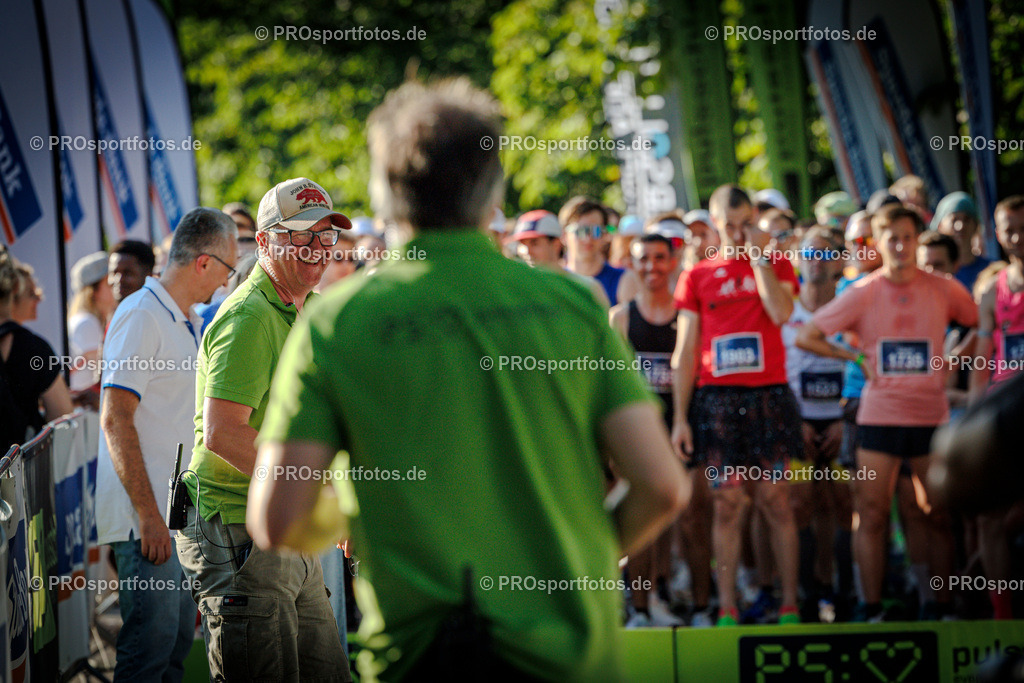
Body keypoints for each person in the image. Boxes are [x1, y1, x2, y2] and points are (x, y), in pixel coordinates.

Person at [249, 77, 689, 681]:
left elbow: (278, 519)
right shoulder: (573, 305)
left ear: (384, 194)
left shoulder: (337, 321)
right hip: (570, 653)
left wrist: (358, 511)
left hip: (421, 655)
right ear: (493, 193)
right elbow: (663, 486)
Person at [175, 177, 353, 682]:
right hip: (238, 533)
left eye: (326, 236)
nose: (318, 249)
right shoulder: (251, 315)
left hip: (279, 528)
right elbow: (224, 433)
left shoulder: (305, 308)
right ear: (266, 240)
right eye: (303, 235)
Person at [796, 204, 978, 622]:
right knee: (872, 513)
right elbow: (808, 336)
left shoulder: (943, 288)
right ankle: (870, 606)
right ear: (877, 243)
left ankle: (940, 604)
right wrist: (855, 358)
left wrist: (952, 359)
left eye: (907, 237)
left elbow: (976, 324)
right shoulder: (862, 291)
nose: (900, 246)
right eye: (890, 238)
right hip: (878, 416)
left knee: (935, 514)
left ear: (917, 239)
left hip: (931, 416)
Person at [96, 208, 238, 681]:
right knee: (149, 651)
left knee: (174, 646)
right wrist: (149, 515)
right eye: (228, 269)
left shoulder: (181, 318)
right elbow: (116, 419)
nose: (225, 284)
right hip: (150, 523)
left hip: (174, 519)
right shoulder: (141, 315)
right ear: (203, 263)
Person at [670, 183, 802, 626]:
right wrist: (679, 419)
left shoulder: (777, 262)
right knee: (726, 505)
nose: (739, 233)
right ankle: (726, 606)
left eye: (747, 224)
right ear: (715, 225)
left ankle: (789, 604)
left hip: (768, 397)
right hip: (718, 403)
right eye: (731, 225)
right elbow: (685, 352)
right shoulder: (697, 275)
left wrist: (760, 258)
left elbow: (782, 313)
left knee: (776, 502)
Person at [611, 233, 713, 628]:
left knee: (693, 520)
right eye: (643, 259)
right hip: (637, 432)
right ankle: (639, 608)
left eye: (659, 258)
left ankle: (703, 606)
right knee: (642, 522)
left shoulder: (688, 317)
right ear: (632, 265)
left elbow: (691, 365)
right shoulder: (621, 317)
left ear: (672, 262)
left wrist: (682, 421)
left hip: (685, 426)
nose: (651, 267)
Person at [781, 228, 852, 621]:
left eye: (826, 254)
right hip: (799, 421)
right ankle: (807, 597)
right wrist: (795, 422)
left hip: (841, 419)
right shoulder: (785, 310)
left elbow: (860, 367)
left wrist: (844, 418)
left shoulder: (851, 305)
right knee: (799, 504)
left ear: (840, 261)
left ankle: (843, 594)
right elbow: (775, 372)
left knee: (844, 504)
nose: (817, 260)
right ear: (797, 258)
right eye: (809, 253)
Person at [968, 195, 1024, 619]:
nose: (1018, 236)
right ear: (998, 233)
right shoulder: (993, 289)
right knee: (989, 517)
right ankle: (1001, 613)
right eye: (1009, 229)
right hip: (1004, 414)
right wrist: (972, 414)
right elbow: (982, 358)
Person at [1, 245, 73, 449]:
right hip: (17, 471)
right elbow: (62, 416)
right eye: (32, 293)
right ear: (15, 290)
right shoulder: (33, 347)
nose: (39, 298)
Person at [507, 209, 609, 306]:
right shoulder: (513, 291)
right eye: (522, 245)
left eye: (535, 243)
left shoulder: (586, 289)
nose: (527, 251)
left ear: (556, 244)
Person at [68, 251, 117, 408]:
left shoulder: (89, 320)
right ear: (93, 291)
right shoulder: (86, 322)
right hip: (84, 415)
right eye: (109, 282)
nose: (117, 285)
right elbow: (108, 373)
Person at [561, 196, 627, 305]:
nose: (588, 238)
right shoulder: (555, 283)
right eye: (581, 231)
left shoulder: (624, 280)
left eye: (596, 231)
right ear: (564, 235)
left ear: (605, 235)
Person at [932, 192, 991, 292]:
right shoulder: (934, 271)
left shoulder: (991, 270)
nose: (961, 226)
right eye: (954, 220)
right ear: (940, 226)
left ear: (976, 225)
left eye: (967, 219)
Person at [108, 240, 156, 305]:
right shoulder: (119, 313)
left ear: (148, 275)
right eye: (114, 273)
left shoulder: (151, 312)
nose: (119, 279)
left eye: (127, 273)